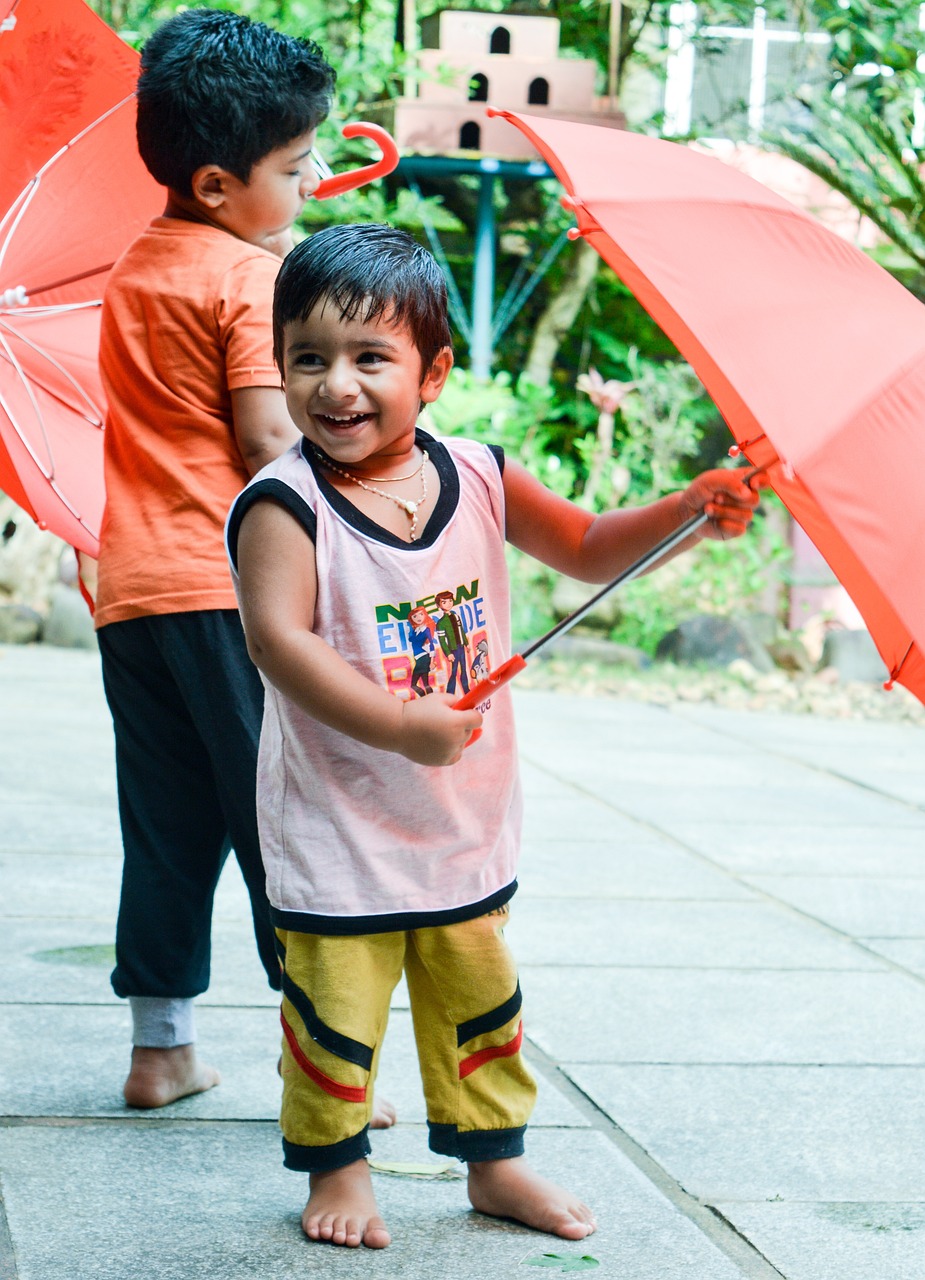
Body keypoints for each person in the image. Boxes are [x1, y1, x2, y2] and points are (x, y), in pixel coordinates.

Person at [226, 224, 759, 1250]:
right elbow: (276, 641)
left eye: (368, 357)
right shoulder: (285, 506)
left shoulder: (474, 471)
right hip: (338, 828)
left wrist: (686, 505)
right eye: (308, 358)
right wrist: (398, 724)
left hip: (459, 818)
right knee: (335, 1010)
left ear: (434, 372)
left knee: (479, 998)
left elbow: (587, 543)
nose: (335, 385)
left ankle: (493, 1161)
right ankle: (336, 1168)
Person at [94, 8, 348, 1114]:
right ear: (213, 184)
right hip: (227, 592)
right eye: (296, 168)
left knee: (166, 821)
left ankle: (162, 1048)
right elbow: (263, 442)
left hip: (132, 592)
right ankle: (324, 1059)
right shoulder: (249, 283)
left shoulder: (137, 268)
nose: (315, 178)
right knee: (282, 823)